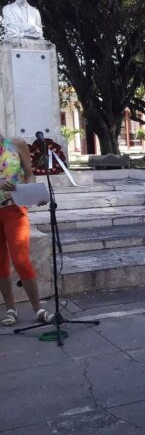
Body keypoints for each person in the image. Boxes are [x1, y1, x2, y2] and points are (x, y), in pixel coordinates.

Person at [1, 134, 53, 326]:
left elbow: (29, 174)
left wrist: (30, 193)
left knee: (21, 259)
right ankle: (10, 309)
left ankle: (38, 308)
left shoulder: (16, 144)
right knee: (1, 263)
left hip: (14, 208)